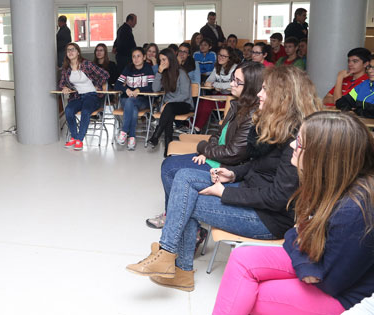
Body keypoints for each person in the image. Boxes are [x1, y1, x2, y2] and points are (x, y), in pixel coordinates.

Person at [126, 66, 322, 292]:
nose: (259, 93)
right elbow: (258, 166)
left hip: (268, 219)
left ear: (283, 96)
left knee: (186, 200)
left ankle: (175, 262)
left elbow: (279, 197)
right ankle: (172, 259)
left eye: (266, 90)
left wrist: (225, 192)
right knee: (183, 176)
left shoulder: (297, 139)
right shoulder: (280, 125)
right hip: (250, 192)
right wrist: (233, 174)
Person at [213, 111, 374, 314]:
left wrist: (302, 256)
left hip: (343, 294)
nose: (291, 146)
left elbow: (333, 283)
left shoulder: (355, 210)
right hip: (315, 261)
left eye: (299, 142)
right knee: (241, 258)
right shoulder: (330, 183)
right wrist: (303, 263)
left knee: (258, 296)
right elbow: (294, 232)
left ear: (322, 155)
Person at [146, 62, 264, 230]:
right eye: (232, 79)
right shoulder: (238, 105)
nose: (231, 84)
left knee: (170, 168)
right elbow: (217, 134)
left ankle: (175, 218)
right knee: (169, 164)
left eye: (237, 81)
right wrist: (208, 152)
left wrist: (203, 148)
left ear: (251, 87)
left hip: (227, 166)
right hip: (216, 157)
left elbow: (233, 154)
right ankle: (178, 217)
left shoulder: (253, 115)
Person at [59, 43, 109, 151]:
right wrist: (64, 87)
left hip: (91, 96)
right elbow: (62, 83)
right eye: (68, 50)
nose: (70, 52)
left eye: (73, 50)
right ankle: (74, 136)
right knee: (68, 110)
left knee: (86, 111)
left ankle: (79, 139)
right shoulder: (66, 68)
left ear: (78, 52)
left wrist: (98, 85)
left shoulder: (86, 64)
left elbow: (105, 74)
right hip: (77, 96)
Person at [147, 49, 194, 155]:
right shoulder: (164, 73)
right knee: (169, 113)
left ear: (170, 59)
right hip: (170, 107)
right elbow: (155, 89)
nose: (162, 62)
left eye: (164, 59)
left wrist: (168, 103)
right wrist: (159, 72)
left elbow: (185, 95)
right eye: (160, 60)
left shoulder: (181, 73)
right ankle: (168, 149)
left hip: (184, 104)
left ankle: (156, 136)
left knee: (168, 109)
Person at [115, 47, 154, 150]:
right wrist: (126, 90)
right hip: (126, 99)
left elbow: (151, 87)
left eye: (139, 56)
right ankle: (131, 137)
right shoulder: (128, 68)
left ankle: (124, 132)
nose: (136, 59)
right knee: (133, 108)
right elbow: (117, 84)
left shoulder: (148, 68)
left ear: (144, 57)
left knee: (131, 102)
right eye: (133, 56)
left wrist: (138, 90)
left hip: (142, 100)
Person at [193, 47, 239, 133]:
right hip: (220, 95)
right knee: (201, 102)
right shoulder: (218, 67)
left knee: (207, 103)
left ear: (230, 58)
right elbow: (208, 81)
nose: (220, 57)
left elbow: (232, 84)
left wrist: (216, 84)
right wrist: (217, 85)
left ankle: (197, 128)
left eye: (224, 56)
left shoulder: (235, 69)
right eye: (219, 55)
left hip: (231, 98)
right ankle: (192, 126)